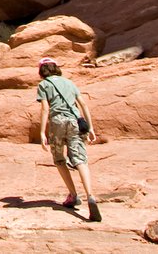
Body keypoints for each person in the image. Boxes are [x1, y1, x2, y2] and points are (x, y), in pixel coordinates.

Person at [35, 56, 100, 221]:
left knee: (59, 158)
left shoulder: (44, 85)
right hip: (74, 121)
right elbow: (83, 104)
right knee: (80, 159)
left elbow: (45, 109)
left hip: (57, 122)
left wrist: (42, 132)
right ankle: (90, 195)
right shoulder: (70, 83)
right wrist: (91, 127)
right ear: (56, 68)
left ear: (41, 71)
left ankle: (73, 195)